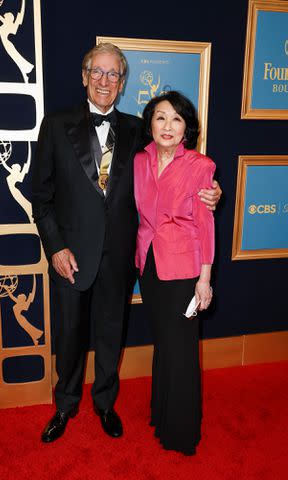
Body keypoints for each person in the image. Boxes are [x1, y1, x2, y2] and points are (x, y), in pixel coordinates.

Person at [31, 43, 221, 444]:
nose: (104, 81)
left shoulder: (138, 128)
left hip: (119, 256)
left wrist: (212, 191)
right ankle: (64, 405)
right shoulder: (55, 124)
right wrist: (56, 248)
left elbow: (176, 164)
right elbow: (40, 196)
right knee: (69, 333)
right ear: (84, 77)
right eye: (97, 72)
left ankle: (104, 403)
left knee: (110, 333)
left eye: (113, 74)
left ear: (122, 82)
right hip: (70, 256)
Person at [134, 91, 216, 456]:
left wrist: (205, 278)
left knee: (182, 349)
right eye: (160, 117)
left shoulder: (200, 166)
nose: (168, 126)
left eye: (177, 119)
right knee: (164, 343)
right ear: (150, 123)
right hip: (149, 264)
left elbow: (206, 225)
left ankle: (181, 432)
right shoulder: (139, 160)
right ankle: (162, 413)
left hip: (185, 269)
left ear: (187, 128)